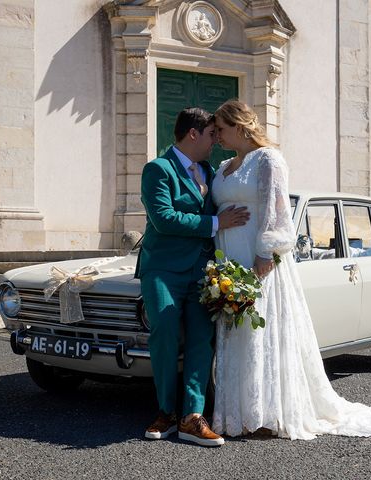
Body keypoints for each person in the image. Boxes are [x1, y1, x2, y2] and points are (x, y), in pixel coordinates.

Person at [210, 100, 371, 439]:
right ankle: (240, 413)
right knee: (238, 336)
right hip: (227, 265)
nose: (216, 135)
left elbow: (276, 211)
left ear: (239, 126)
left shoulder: (269, 160)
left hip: (258, 263)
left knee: (261, 334)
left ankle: (268, 414)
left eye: (221, 128)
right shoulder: (222, 167)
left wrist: (264, 257)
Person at [135, 107, 250, 447]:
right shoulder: (158, 169)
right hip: (163, 269)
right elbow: (164, 218)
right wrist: (216, 224)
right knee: (165, 332)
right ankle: (166, 411)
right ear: (193, 134)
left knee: (203, 339)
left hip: (202, 272)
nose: (217, 140)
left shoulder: (209, 170)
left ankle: (192, 417)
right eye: (213, 134)